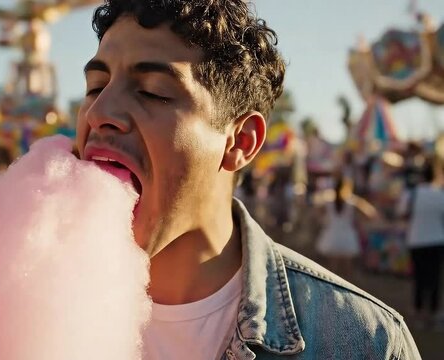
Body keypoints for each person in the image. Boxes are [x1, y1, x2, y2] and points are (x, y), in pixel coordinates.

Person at [76, 0, 420, 359]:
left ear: (240, 141)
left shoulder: (366, 343)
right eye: (95, 87)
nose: (98, 113)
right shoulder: (28, 292)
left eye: (152, 91)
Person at [398, 158, 444, 330]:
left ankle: (417, 312)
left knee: (419, 278)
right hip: (438, 240)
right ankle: (432, 314)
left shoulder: (412, 193)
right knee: (435, 279)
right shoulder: (440, 194)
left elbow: (402, 213)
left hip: (416, 239)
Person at [315, 176, 376, 278]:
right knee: (347, 272)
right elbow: (371, 214)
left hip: (332, 236)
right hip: (347, 237)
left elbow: (317, 210)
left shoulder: (329, 201)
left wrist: (324, 220)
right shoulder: (352, 201)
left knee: (331, 270)